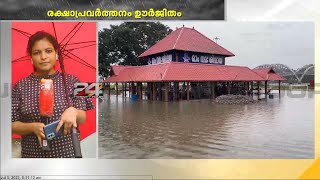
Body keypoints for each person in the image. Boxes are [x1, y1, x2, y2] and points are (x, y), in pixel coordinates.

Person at [11, 31, 94, 158]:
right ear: (31, 58)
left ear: (56, 54)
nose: (43, 57)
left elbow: (83, 117)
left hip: (68, 155)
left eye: (48, 51)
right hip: (32, 157)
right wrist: (32, 127)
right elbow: (10, 124)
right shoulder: (19, 86)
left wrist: (74, 112)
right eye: (37, 53)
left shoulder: (73, 80)